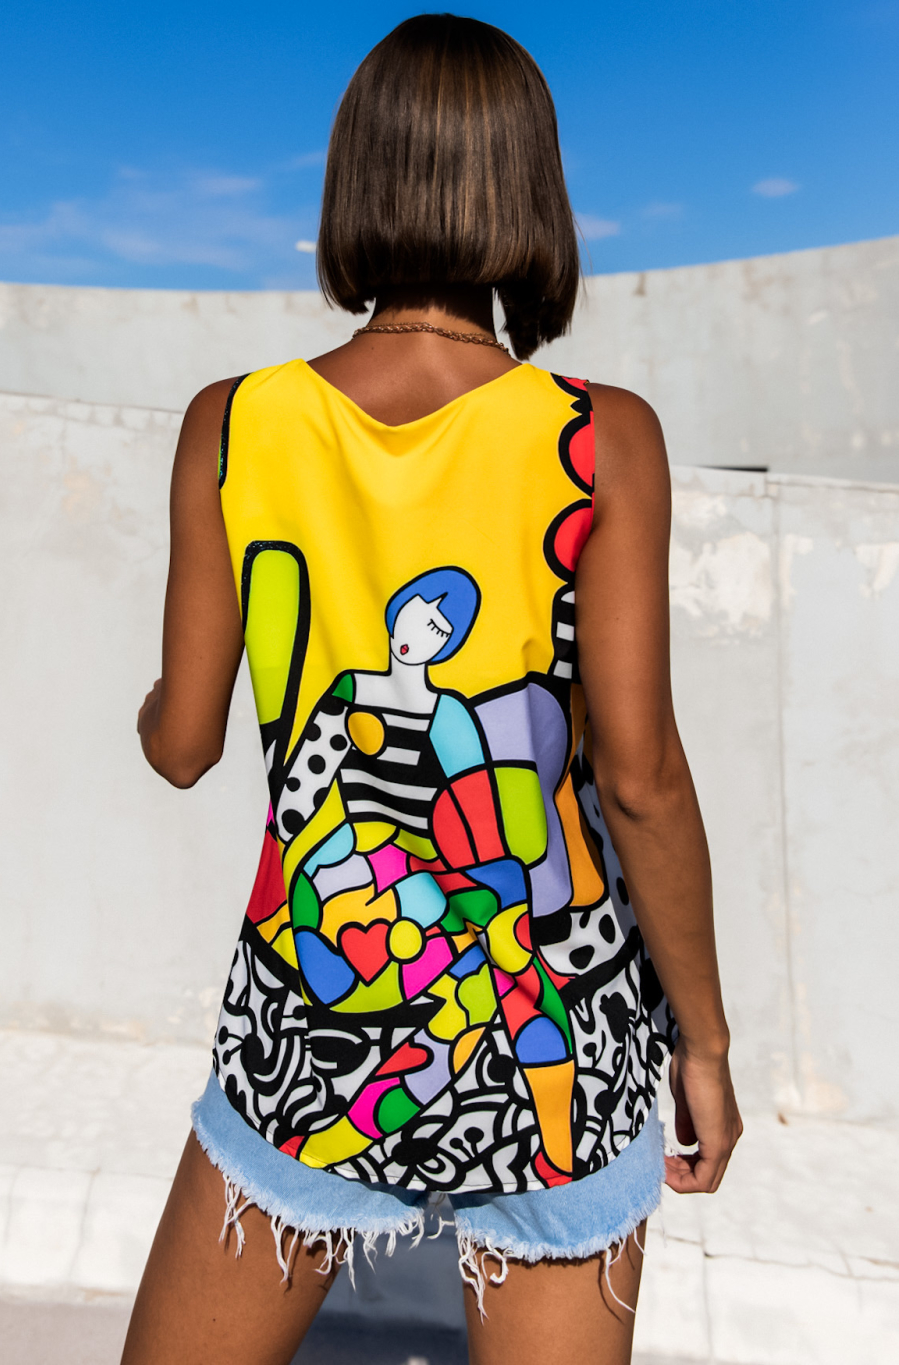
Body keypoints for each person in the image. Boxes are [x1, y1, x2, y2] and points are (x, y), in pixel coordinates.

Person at [124, 14, 742, 1365]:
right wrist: (703, 1041)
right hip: (555, 1018)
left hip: (316, 1015)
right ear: (533, 198)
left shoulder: (234, 424)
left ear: (356, 181)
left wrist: (162, 701)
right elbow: (640, 778)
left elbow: (183, 745)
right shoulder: (599, 439)